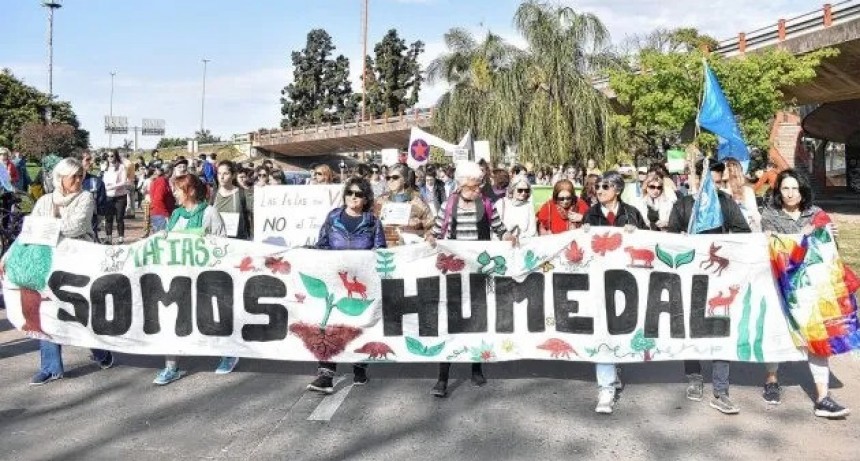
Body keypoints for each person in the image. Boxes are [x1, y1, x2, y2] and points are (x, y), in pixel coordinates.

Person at [0, 158, 115, 385]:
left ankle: (101, 352)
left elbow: (77, 227)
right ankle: (51, 367)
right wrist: (7, 256)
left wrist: (44, 227)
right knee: (47, 311)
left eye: (81, 176)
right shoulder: (44, 201)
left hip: (78, 261)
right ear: (61, 178)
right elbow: (28, 232)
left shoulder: (85, 197)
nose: (79, 180)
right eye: (74, 176)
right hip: (47, 262)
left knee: (80, 311)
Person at [760, 169, 850, 418]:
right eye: (785, 188)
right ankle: (771, 379)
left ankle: (823, 397)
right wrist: (802, 236)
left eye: (794, 188)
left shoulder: (817, 214)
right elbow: (771, 246)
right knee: (777, 330)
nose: (790, 194)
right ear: (778, 190)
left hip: (810, 287)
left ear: (803, 191)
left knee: (816, 336)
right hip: (779, 283)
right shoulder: (770, 215)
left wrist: (830, 238)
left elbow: (829, 252)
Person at [667, 159, 751, 415]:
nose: (709, 181)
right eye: (705, 175)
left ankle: (721, 389)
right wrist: (679, 239)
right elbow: (669, 237)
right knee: (689, 327)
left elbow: (743, 232)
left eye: (714, 176)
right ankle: (693, 376)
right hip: (689, 277)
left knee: (719, 328)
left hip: (719, 277)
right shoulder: (682, 205)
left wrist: (724, 241)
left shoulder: (726, 203)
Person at [426, 161, 516, 398]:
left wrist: (508, 237)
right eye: (475, 186)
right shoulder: (448, 205)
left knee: (477, 319)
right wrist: (430, 238)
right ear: (462, 184)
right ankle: (442, 378)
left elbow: (500, 229)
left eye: (479, 186)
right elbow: (436, 233)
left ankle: (476, 367)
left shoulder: (486, 204)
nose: (479, 190)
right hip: (454, 273)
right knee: (450, 321)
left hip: (478, 272)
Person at [307, 177, 386, 393]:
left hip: (362, 283)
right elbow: (322, 244)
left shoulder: (372, 222)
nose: (353, 197)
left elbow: (380, 251)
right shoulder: (333, 217)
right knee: (329, 325)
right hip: (334, 280)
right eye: (350, 192)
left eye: (359, 194)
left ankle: (359, 366)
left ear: (365, 199)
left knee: (359, 325)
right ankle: (325, 375)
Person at [153, 174, 232, 385]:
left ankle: (228, 353)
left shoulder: (210, 213)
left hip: (204, 279)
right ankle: (171, 366)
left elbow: (222, 245)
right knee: (172, 321)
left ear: (191, 191)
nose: (174, 194)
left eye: (178, 190)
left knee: (210, 318)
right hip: (178, 278)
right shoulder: (177, 214)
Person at [582, 171, 648, 414]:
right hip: (599, 282)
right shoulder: (592, 214)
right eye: (597, 186)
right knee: (603, 330)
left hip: (627, 282)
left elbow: (649, 240)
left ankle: (615, 367)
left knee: (620, 329)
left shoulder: (631, 213)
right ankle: (605, 388)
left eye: (605, 186)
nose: (599, 190)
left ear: (617, 190)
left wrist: (637, 233)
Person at [375, 163, 435, 247]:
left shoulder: (417, 202)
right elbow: (371, 225)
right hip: (386, 252)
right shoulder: (380, 201)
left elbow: (431, 227)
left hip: (409, 250)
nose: (391, 180)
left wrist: (418, 228)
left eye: (395, 177)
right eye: (388, 178)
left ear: (405, 180)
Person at [212, 161, 252, 240]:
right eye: (219, 173)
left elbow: (257, 213)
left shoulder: (242, 194)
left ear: (233, 175)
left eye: (225, 173)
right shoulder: (213, 195)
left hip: (239, 243)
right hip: (218, 243)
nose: (221, 177)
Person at [722, 158, 761, 232]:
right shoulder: (720, 192)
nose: (720, 171)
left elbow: (754, 214)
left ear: (732, 170)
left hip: (746, 231)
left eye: (723, 168)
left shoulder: (747, 191)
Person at [495, 174, 537, 238]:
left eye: (526, 190)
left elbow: (532, 231)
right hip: (503, 244)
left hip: (523, 245)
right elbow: (495, 228)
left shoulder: (529, 206)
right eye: (520, 190)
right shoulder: (500, 203)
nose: (523, 193)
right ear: (513, 189)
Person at [80, 152, 109, 242]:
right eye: (87, 160)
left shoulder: (97, 182)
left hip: (90, 232)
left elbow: (101, 208)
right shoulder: (64, 182)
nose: (91, 162)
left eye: (91, 159)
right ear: (76, 161)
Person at [102, 151, 128, 244]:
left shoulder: (121, 167)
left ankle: (120, 237)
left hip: (120, 196)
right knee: (108, 218)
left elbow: (123, 182)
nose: (110, 157)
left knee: (119, 218)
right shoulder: (105, 167)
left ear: (116, 156)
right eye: (107, 156)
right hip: (108, 196)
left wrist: (112, 186)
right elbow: (103, 180)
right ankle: (108, 237)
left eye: (112, 156)